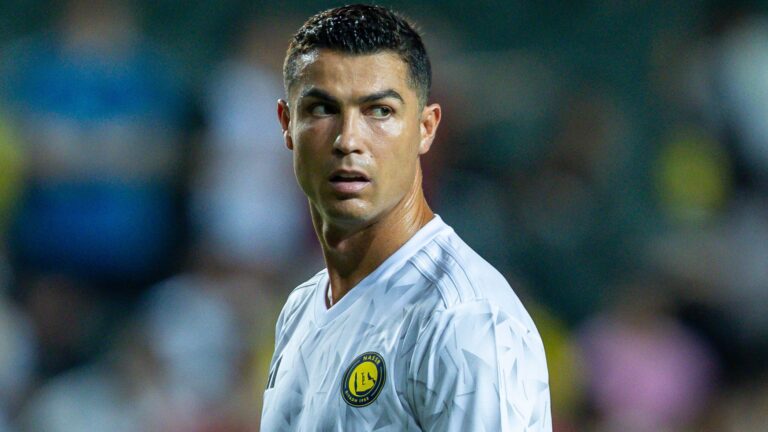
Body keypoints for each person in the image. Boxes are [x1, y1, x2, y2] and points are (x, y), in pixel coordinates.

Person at [261, 5, 551, 431]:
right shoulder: (301, 308)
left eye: (380, 111)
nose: (348, 140)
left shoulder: (463, 319)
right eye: (322, 109)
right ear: (287, 124)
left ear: (426, 128)